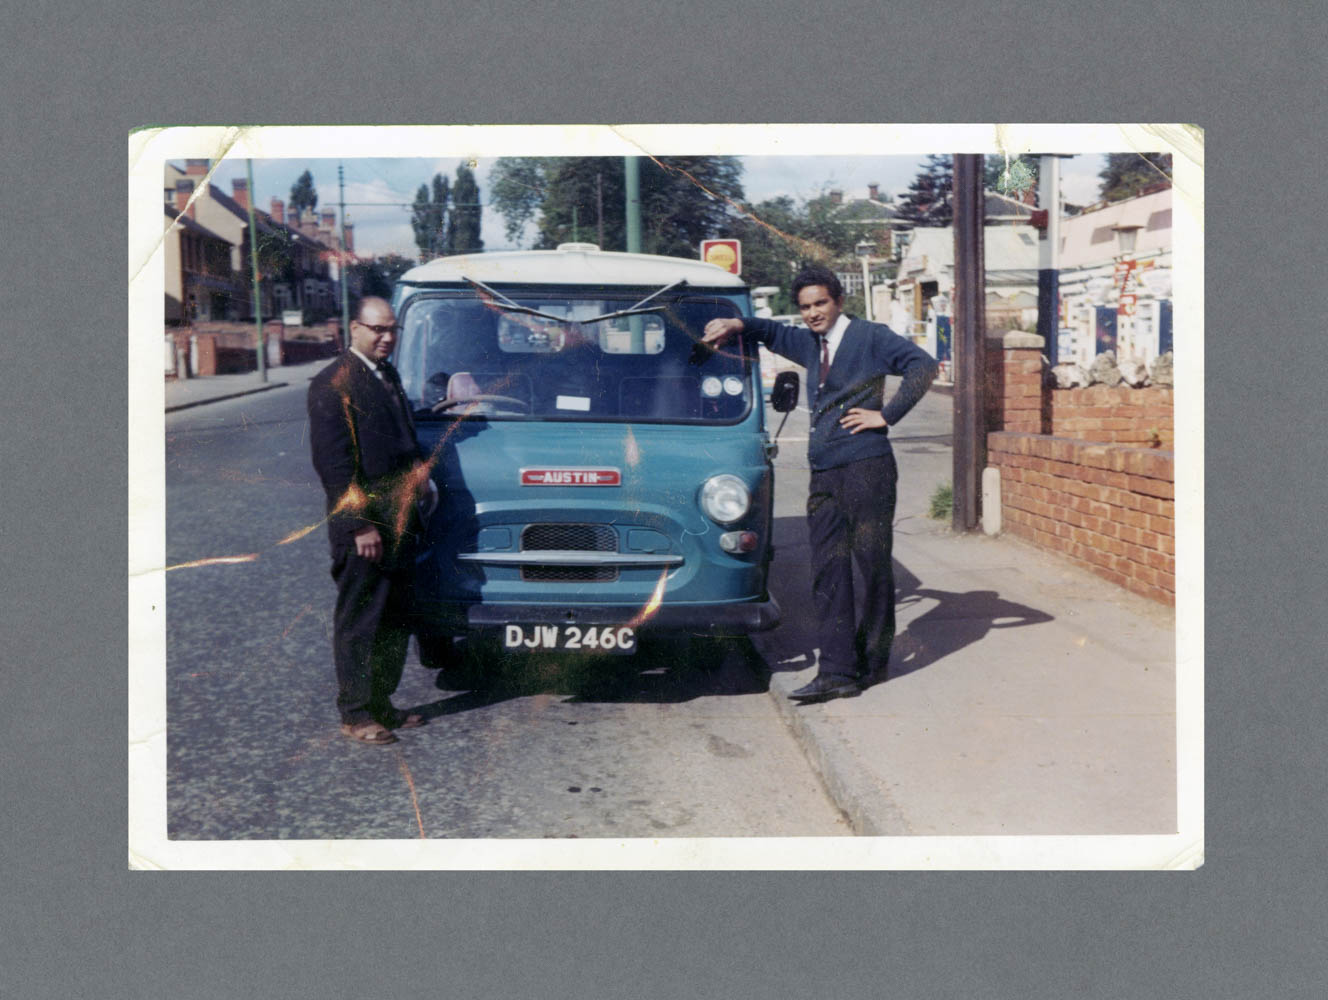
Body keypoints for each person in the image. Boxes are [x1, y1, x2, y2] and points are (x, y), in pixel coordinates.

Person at [703, 265, 938, 702]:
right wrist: (739, 323)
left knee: (870, 568)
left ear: (838, 301)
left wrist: (885, 416)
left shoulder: (870, 335)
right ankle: (836, 672)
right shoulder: (811, 342)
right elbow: (771, 332)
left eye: (820, 304)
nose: (812, 313)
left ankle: (872, 664)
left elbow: (923, 366)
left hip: (867, 468)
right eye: (806, 307)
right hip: (825, 472)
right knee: (828, 570)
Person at [308, 296, 438, 744]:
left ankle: (383, 703)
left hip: (399, 521)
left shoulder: (386, 375)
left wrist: (419, 468)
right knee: (362, 621)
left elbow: (401, 437)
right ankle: (357, 713)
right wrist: (358, 525)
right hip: (365, 527)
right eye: (377, 329)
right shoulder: (333, 384)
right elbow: (334, 465)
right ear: (354, 329)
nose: (386, 338)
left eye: (391, 330)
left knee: (395, 618)